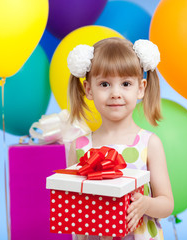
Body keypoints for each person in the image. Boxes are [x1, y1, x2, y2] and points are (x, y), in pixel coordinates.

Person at [66, 37, 174, 240]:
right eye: (105, 84)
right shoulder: (79, 147)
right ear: (89, 89)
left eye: (125, 83)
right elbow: (74, 204)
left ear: (140, 88)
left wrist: (146, 204)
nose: (115, 93)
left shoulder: (149, 144)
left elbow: (167, 204)